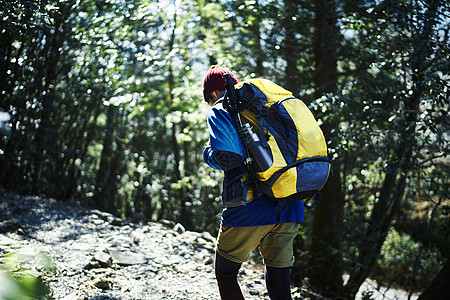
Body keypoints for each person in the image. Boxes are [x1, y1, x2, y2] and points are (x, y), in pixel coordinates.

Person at [202, 65, 304, 300]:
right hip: (290, 202)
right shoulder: (265, 107)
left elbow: (230, 157)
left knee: (225, 272)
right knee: (279, 276)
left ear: (213, 94)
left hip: (251, 205)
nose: (210, 104)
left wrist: (208, 154)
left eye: (209, 99)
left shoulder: (222, 108)